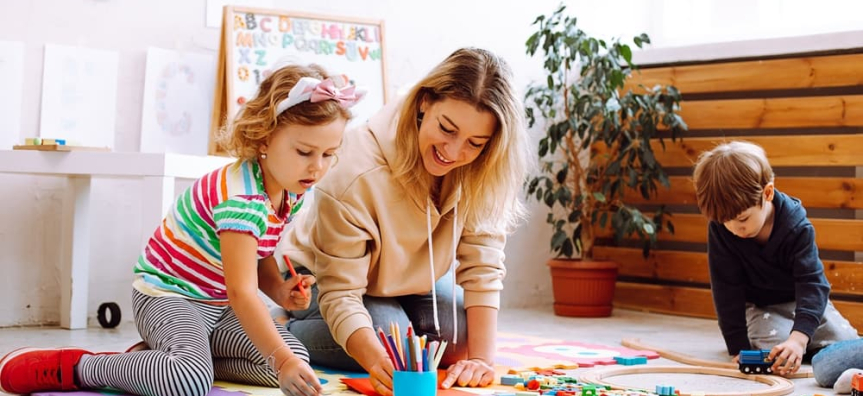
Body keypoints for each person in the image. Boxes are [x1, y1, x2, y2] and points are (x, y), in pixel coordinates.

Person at [0, 64, 364, 396]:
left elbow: (258, 253)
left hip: (217, 307)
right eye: (305, 152)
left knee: (295, 356)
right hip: (169, 297)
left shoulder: (291, 187)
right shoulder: (240, 198)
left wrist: (280, 292)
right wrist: (280, 361)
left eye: (328, 154)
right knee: (195, 379)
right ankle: (84, 367)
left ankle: (168, 361)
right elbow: (241, 292)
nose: (317, 167)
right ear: (264, 139)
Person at [279, 47, 530, 396]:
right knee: (397, 352)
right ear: (425, 102)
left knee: (463, 342)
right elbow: (341, 292)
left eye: (475, 143)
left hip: (410, 278)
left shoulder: (483, 166)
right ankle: (282, 327)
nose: (454, 153)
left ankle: (399, 324)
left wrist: (483, 361)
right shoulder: (355, 168)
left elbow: (484, 263)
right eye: (447, 129)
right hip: (327, 276)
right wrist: (374, 360)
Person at [692, 140, 859, 377]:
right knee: (773, 351)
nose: (733, 229)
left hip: (800, 300)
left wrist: (800, 339)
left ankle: (803, 343)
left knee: (846, 341)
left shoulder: (796, 227)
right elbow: (725, 290)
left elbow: (812, 284)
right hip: (760, 307)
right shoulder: (722, 228)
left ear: (767, 193)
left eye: (741, 219)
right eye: (724, 222)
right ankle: (794, 344)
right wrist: (738, 347)